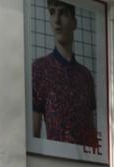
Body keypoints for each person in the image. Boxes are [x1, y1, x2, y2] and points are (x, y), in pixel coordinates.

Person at [31, 0, 99, 147]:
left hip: (86, 163)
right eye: (52, 13)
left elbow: (92, 130)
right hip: (56, 160)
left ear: (74, 22)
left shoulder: (85, 76)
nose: (56, 20)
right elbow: (34, 132)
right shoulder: (40, 69)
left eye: (63, 13)